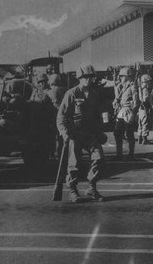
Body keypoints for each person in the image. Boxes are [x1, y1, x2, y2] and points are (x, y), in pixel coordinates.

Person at [56, 64, 107, 203]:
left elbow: (96, 116)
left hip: (90, 133)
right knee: (74, 164)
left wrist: (99, 131)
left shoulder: (94, 94)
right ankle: (72, 190)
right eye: (86, 77)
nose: (89, 80)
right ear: (80, 78)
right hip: (75, 133)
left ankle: (91, 187)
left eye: (91, 77)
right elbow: (60, 117)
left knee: (99, 158)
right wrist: (65, 133)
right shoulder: (71, 94)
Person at [112, 67, 139, 160]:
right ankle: (119, 154)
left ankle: (131, 154)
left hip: (128, 111)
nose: (120, 78)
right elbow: (118, 98)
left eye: (122, 76)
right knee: (117, 132)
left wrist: (133, 114)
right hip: (121, 111)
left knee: (129, 134)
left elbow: (136, 103)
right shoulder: (122, 87)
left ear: (127, 77)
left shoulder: (133, 86)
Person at [47, 74, 67, 160]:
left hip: (51, 116)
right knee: (61, 137)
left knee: (51, 136)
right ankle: (61, 154)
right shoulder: (65, 90)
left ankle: (51, 153)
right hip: (62, 116)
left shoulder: (49, 92)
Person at [138, 74, 153, 145]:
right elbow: (145, 99)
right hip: (144, 107)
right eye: (149, 81)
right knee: (145, 123)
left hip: (140, 108)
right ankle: (144, 139)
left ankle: (140, 138)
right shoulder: (145, 89)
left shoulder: (140, 88)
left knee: (140, 123)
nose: (150, 83)